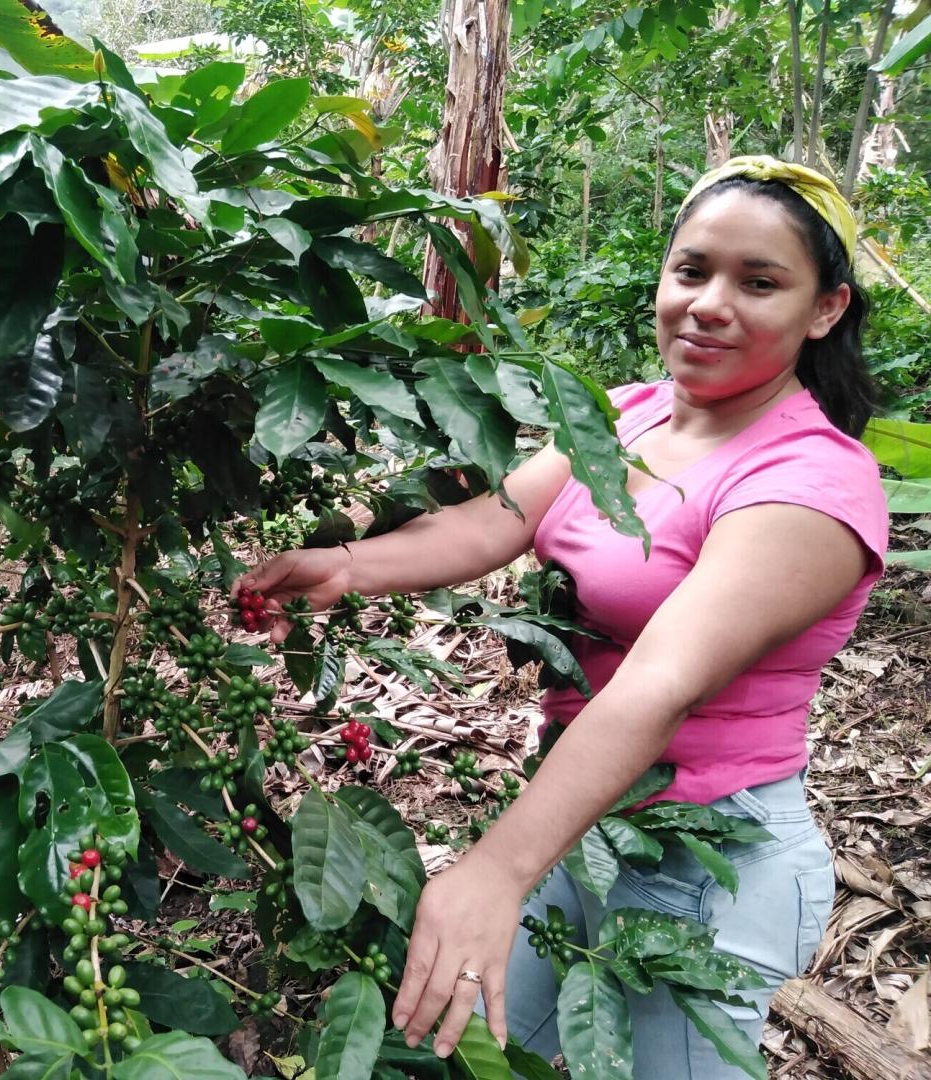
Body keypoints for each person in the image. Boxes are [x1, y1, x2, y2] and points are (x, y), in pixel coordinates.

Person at [234, 157, 888, 1077]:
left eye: (760, 282)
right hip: (581, 820)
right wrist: (342, 568)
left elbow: (661, 681)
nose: (707, 303)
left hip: (704, 860)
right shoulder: (630, 416)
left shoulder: (811, 484)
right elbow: (495, 518)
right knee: (489, 1055)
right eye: (692, 270)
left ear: (825, 310)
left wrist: (495, 872)